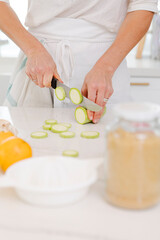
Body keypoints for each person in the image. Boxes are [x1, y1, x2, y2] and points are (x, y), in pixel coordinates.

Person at [0, 0, 158, 123]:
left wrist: (105, 68)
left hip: (107, 63)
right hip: (38, 61)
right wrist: (33, 50)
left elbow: (143, 6)